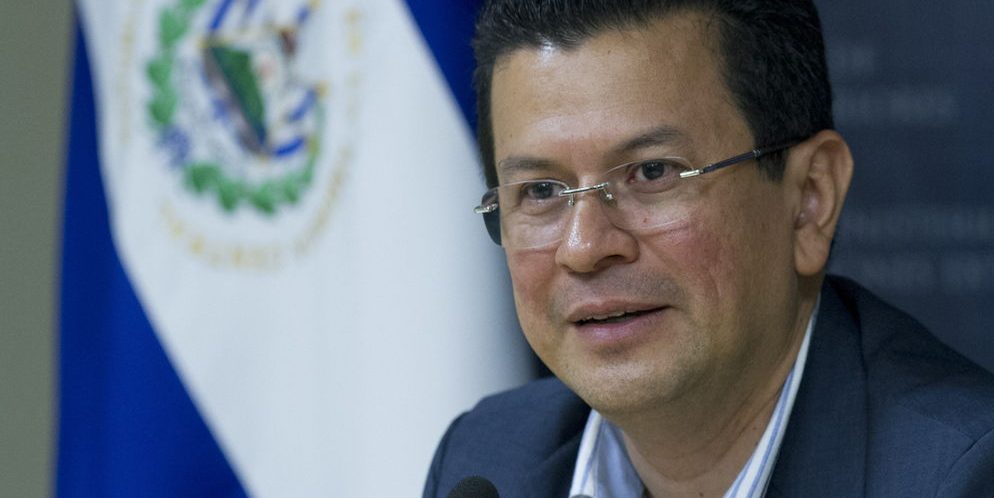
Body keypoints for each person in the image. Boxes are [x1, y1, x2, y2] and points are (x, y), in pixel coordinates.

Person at [423, 1, 994, 497]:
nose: (584, 247)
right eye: (542, 191)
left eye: (652, 172)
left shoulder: (959, 476)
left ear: (809, 199)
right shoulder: (486, 458)